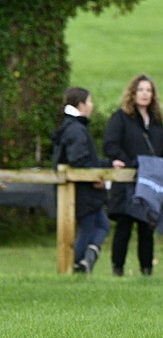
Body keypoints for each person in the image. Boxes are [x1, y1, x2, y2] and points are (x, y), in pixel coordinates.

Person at [103, 74, 163, 276]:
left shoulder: (157, 122)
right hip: (127, 182)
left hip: (150, 182)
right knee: (124, 226)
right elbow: (110, 144)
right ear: (133, 93)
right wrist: (130, 163)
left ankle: (147, 271)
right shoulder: (121, 118)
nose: (144, 94)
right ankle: (118, 269)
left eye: (148, 90)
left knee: (146, 228)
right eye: (140, 90)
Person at [51, 87, 114, 274]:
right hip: (81, 190)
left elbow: (87, 159)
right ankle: (76, 264)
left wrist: (109, 164)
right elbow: (78, 160)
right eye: (90, 101)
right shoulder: (76, 129)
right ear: (81, 105)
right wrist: (94, 176)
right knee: (90, 227)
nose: (92, 105)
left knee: (102, 224)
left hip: (83, 189)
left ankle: (86, 260)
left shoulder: (73, 126)